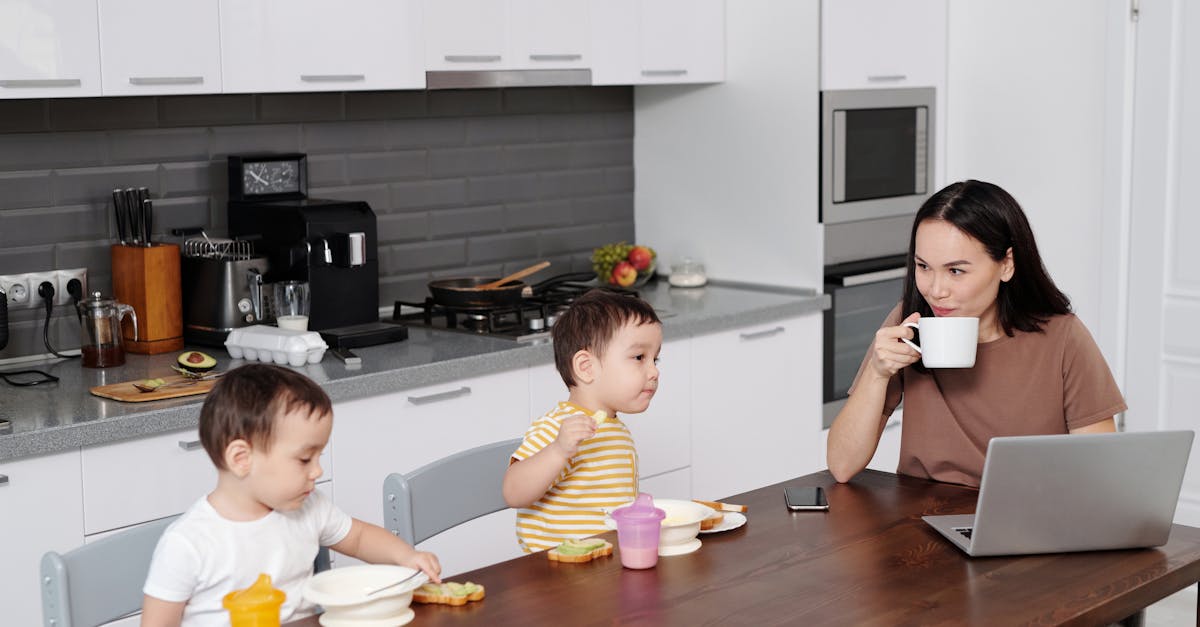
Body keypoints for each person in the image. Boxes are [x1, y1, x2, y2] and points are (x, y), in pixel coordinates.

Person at [827, 180, 1125, 487]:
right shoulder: (908, 325)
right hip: (921, 520)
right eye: (923, 266)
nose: (936, 290)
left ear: (1006, 264)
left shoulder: (1063, 338)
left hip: (1024, 521)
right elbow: (841, 465)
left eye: (956, 270)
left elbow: (1100, 478)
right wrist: (876, 374)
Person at [141, 364, 441, 627]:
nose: (317, 471)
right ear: (241, 459)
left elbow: (359, 537)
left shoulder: (308, 507)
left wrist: (407, 556)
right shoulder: (188, 544)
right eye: (304, 459)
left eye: (319, 456)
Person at [502, 288, 662, 553]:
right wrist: (558, 450)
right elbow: (513, 493)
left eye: (655, 359)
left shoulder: (615, 429)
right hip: (557, 574)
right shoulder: (558, 428)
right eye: (639, 358)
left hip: (603, 567)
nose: (654, 371)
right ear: (586, 368)